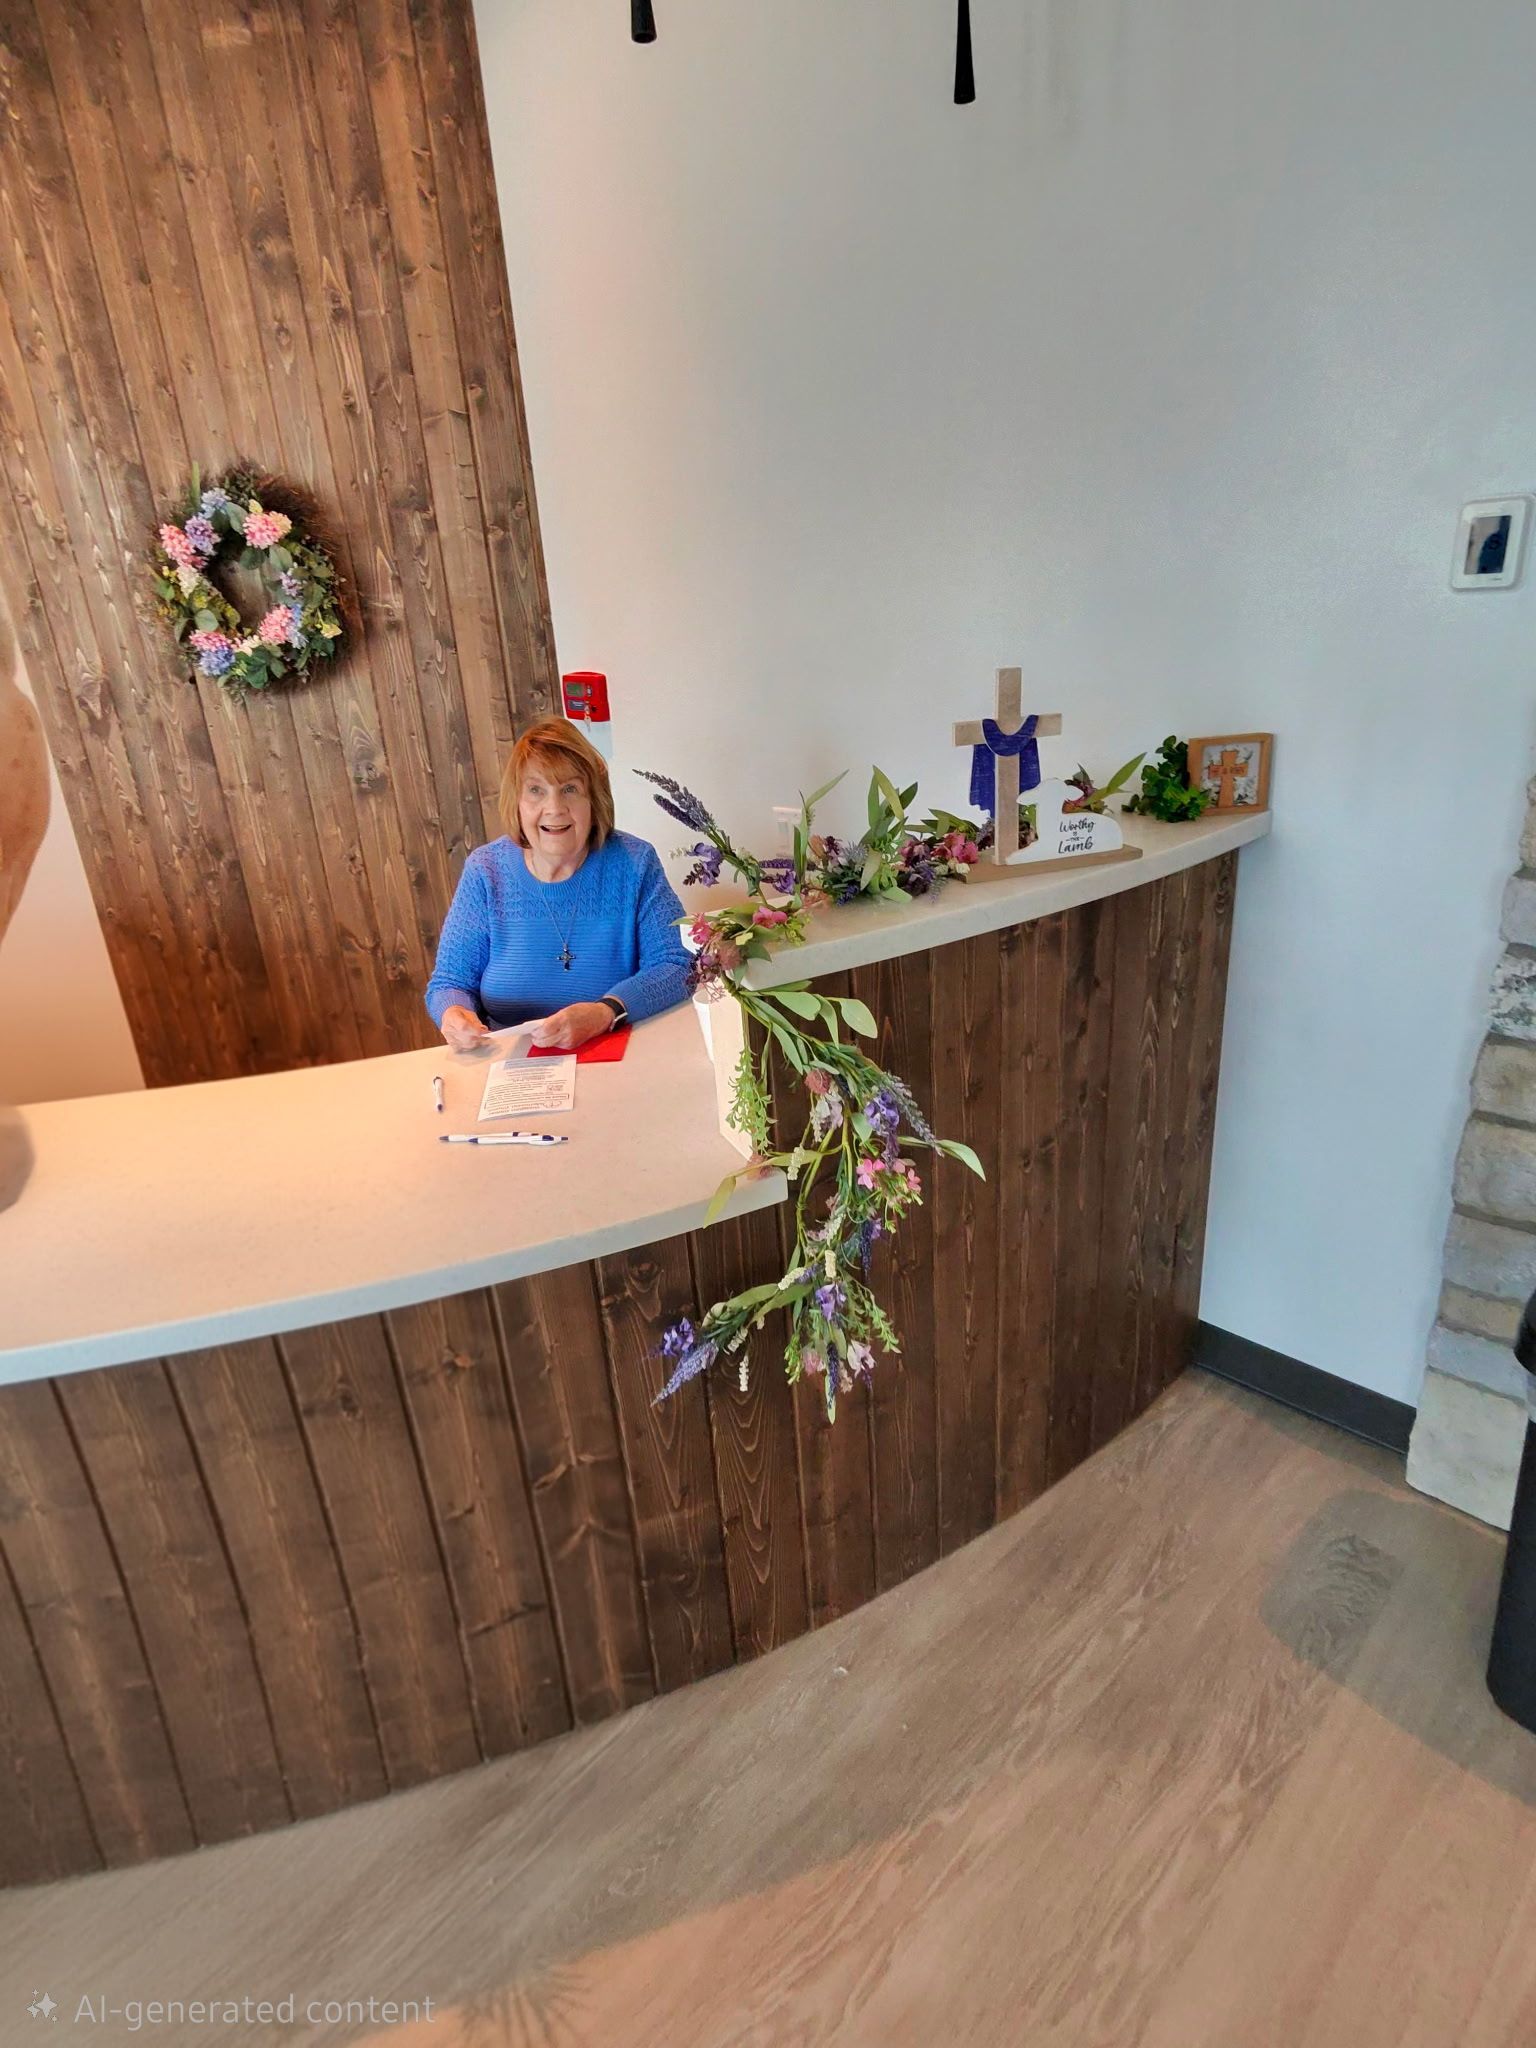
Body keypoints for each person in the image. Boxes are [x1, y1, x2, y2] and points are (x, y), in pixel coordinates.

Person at [426, 716, 692, 1053]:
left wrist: (605, 1012)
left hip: (613, 1050)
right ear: (517, 802)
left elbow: (677, 965)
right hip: (507, 1064)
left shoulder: (634, 863)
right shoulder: (485, 870)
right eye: (536, 790)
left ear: (594, 800)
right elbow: (450, 982)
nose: (554, 808)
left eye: (570, 789)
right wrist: (452, 1013)